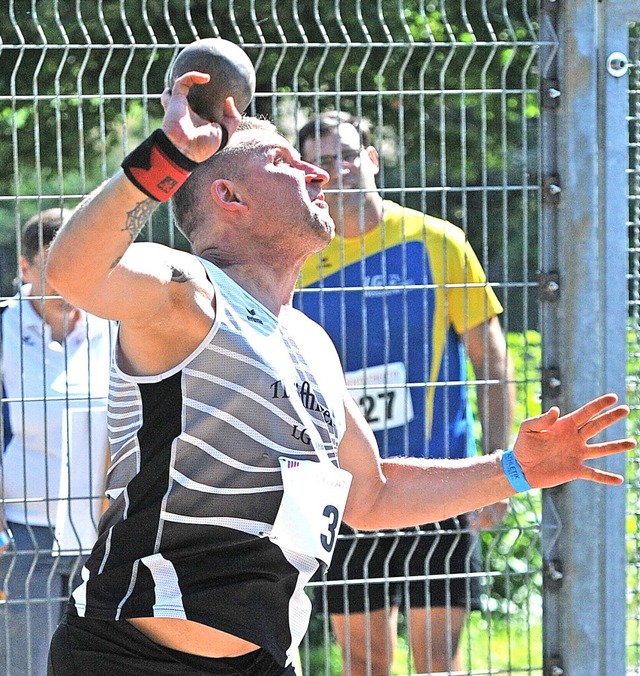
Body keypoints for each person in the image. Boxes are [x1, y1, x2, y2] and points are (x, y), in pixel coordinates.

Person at [44, 71, 634, 676]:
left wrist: (514, 469)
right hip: (133, 657)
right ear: (229, 197)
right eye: (284, 162)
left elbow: (370, 494)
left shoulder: (309, 341)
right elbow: (74, 271)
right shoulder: (189, 294)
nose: (318, 174)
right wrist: (164, 157)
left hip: (266, 659)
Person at [295, 111, 516, 674]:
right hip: (349, 492)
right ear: (307, 177)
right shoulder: (292, 264)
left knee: (436, 661)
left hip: (440, 481)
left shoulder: (437, 242)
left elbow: (490, 362)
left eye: (348, 154)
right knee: (365, 661)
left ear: (371, 160)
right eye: (321, 162)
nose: (338, 168)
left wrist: (499, 472)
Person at [0, 208, 112, 676]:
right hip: (23, 535)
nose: (69, 278)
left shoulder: (116, 326)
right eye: (52, 264)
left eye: (79, 261)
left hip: (102, 534)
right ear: (23, 269)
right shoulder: (2, 329)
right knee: (30, 666)